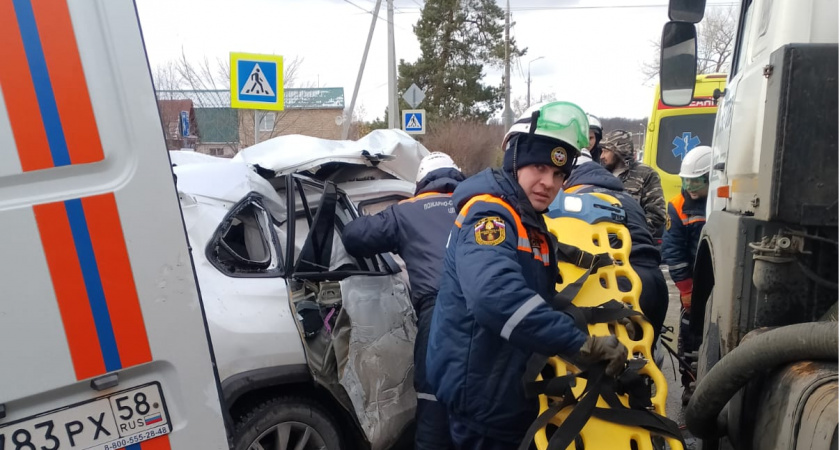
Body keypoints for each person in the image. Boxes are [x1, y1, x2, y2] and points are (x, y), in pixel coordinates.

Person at [426, 101, 628, 449]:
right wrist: (581, 345)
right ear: (515, 161)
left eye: (559, 175)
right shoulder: (491, 217)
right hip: (482, 395)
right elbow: (495, 298)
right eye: (539, 167)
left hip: (500, 382)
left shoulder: (525, 217)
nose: (548, 182)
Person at [341, 152, 466, 450]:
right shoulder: (479, 206)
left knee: (434, 404)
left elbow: (355, 237)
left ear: (421, 183)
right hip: (490, 311)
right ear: (458, 176)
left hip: (441, 316)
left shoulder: (408, 210)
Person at [559, 156, 670, 343]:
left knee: (608, 360)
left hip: (621, 281)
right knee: (644, 358)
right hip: (655, 283)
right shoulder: (628, 198)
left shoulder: (574, 200)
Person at [661, 145, 712, 404]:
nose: (691, 188)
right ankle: (690, 382)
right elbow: (673, 251)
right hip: (693, 284)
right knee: (690, 333)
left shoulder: (720, 202)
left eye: (697, 182)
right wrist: (686, 290)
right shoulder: (678, 206)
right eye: (687, 181)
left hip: (716, 282)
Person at [599, 130, 666, 236]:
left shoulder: (646, 174)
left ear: (619, 151)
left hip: (634, 243)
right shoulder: (600, 175)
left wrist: (630, 234)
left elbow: (657, 215)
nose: (601, 156)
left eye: (606, 151)